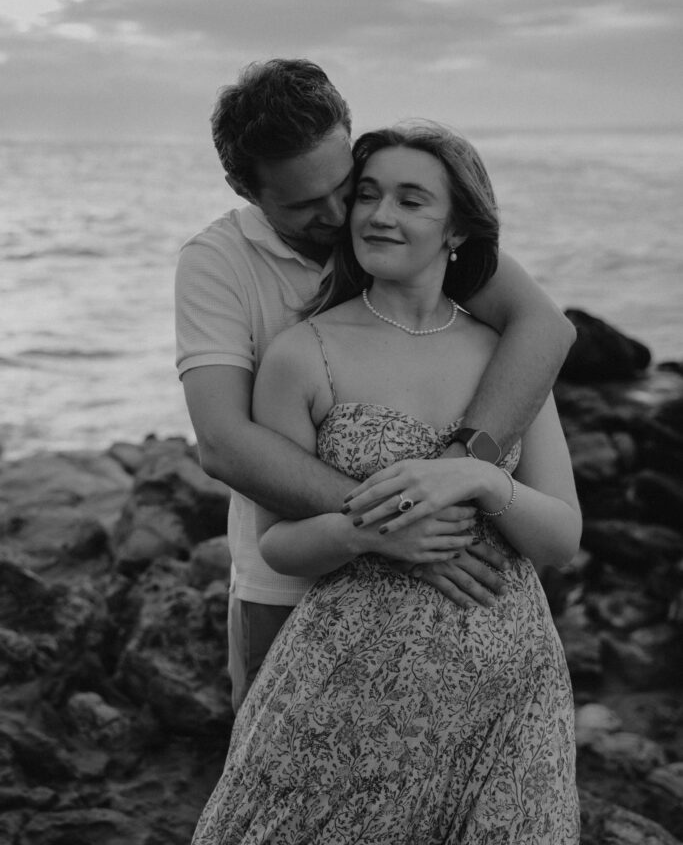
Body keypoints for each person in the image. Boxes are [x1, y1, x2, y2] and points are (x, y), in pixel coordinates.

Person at [191, 121, 581, 844]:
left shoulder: (507, 357)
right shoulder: (301, 354)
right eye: (367, 195)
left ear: (457, 227)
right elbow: (278, 545)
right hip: (348, 693)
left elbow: (560, 538)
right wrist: (368, 530)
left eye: (410, 201)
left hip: (507, 691)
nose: (376, 215)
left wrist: (480, 478)